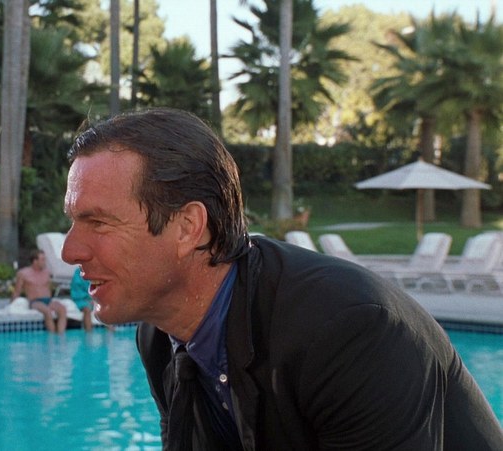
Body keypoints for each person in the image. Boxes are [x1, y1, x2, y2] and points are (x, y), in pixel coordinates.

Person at [61, 108, 503, 450]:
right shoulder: (160, 337)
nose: (70, 251)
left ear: (188, 227)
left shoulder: (350, 332)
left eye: (98, 223)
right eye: (73, 222)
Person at [11, 249, 67, 333]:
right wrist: (11, 304)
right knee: (47, 311)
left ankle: (61, 336)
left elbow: (48, 287)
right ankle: (52, 336)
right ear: (35, 261)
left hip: (48, 300)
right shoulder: (23, 273)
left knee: (62, 309)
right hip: (35, 301)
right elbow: (17, 291)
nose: (45, 262)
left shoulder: (47, 272)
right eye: (42, 260)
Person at [69, 266, 93, 331]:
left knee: (106, 308)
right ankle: (89, 333)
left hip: (93, 298)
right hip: (81, 299)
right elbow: (76, 290)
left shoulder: (95, 271)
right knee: (87, 309)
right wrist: (89, 297)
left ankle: (111, 334)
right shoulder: (78, 273)